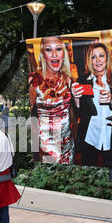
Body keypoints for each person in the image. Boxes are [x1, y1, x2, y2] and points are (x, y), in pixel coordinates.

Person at [71, 42, 112, 168]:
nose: (97, 60)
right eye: (94, 57)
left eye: (101, 56)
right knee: (89, 169)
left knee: (111, 170)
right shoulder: (83, 80)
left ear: (107, 58)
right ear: (90, 60)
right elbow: (80, 113)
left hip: (110, 133)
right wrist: (76, 98)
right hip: (90, 133)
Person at [28, 36, 75, 164]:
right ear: (43, 55)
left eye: (58, 49)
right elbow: (33, 113)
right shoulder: (35, 82)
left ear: (63, 54)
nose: (54, 54)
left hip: (66, 144)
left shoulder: (68, 79)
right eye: (49, 50)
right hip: (45, 146)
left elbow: (72, 112)